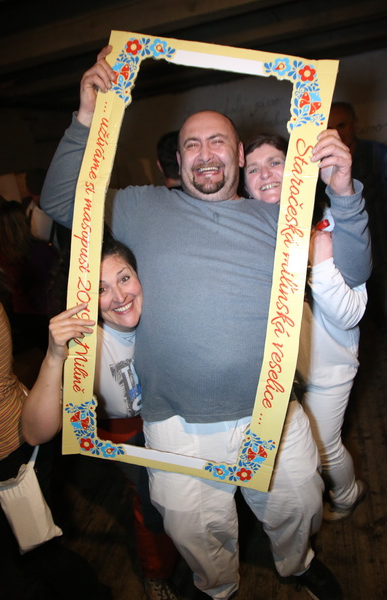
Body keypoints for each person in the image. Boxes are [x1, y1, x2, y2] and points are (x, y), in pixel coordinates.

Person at [40, 45, 371, 600]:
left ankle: (297, 565)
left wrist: (343, 193)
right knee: (195, 532)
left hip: (270, 411)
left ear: (238, 154)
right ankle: (217, 588)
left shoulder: (279, 217)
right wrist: (86, 118)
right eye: (192, 144)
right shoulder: (141, 207)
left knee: (298, 506)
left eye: (217, 141)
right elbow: (59, 202)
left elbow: (355, 271)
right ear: (180, 159)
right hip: (177, 424)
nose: (205, 152)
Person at [22, 235, 179, 600]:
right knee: (151, 501)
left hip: (174, 418)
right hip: (124, 431)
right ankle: (156, 572)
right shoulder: (84, 346)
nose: (119, 296)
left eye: (124, 278)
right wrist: (53, 357)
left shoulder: (166, 308)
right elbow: (34, 433)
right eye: (100, 289)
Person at [244, 133, 368, 521]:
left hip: (328, 369)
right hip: (278, 378)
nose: (265, 174)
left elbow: (349, 315)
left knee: (325, 447)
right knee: (300, 452)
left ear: (296, 169)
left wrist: (321, 261)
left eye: (274, 162)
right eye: (253, 169)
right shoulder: (249, 235)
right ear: (244, 185)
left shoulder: (332, 222)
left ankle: (348, 494)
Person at [0, 253, 111, 600]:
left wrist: (55, 357)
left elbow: (37, 431)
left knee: (38, 552)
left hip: (8, 452)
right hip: (14, 441)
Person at [328, 101, 387, 325]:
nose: (336, 133)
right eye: (330, 128)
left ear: (355, 124)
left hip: (382, 252)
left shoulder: (377, 154)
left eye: (341, 125)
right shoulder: (319, 164)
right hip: (345, 260)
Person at [0, 200, 58, 353]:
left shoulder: (1, 257)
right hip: (49, 312)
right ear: (23, 222)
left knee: (47, 352)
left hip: (23, 314)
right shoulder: (42, 249)